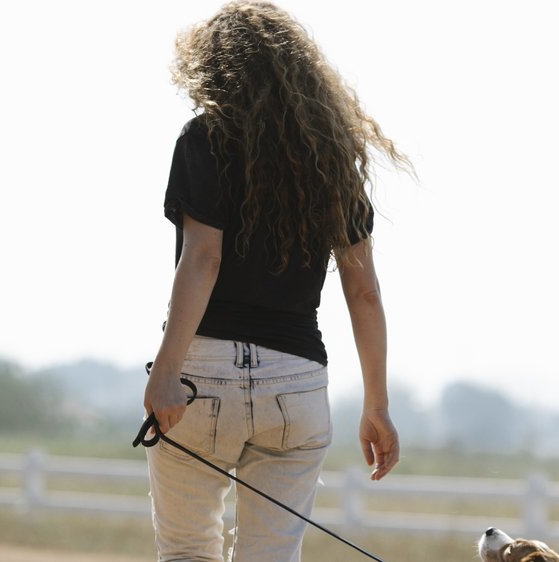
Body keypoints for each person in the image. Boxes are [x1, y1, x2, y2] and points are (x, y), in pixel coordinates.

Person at [143, 2, 411, 560]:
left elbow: (203, 260)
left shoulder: (205, 137)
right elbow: (364, 292)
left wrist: (166, 372)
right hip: (297, 383)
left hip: (203, 378)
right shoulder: (332, 157)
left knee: (187, 552)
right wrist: (377, 405)